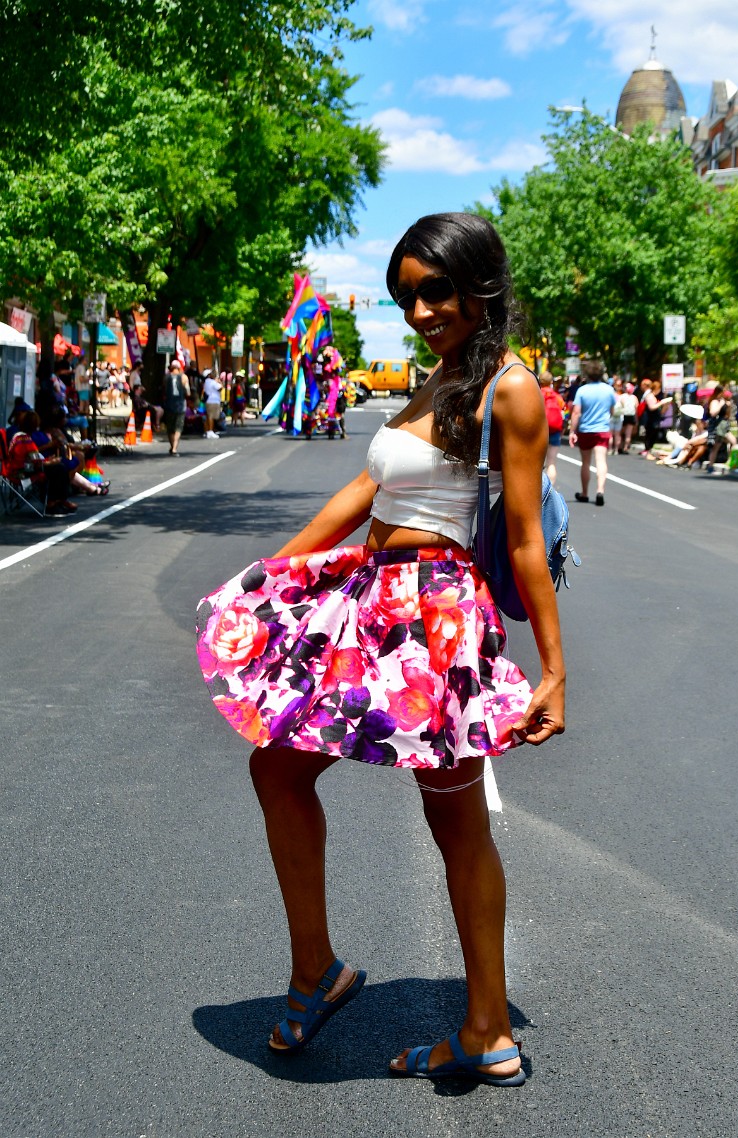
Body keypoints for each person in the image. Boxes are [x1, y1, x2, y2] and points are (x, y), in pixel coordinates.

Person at [196, 212, 565, 1088]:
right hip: (376, 606)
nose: (421, 309)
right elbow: (365, 489)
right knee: (276, 768)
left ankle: (486, 1029)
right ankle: (316, 970)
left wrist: (554, 671)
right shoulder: (441, 375)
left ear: (481, 283)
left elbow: (520, 540)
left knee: (455, 818)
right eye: (407, 295)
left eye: (436, 289)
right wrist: (264, 578)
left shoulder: (509, 388)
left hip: (435, 618)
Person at [568, 360, 614, 505]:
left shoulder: (582, 390)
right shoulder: (609, 390)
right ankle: (600, 490)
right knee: (601, 461)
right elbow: (612, 410)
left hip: (586, 430)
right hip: (602, 429)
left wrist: (572, 431)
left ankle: (585, 493)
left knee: (586, 463)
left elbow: (576, 413)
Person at [539, 370, 565, 485]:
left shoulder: (536, 394)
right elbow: (564, 413)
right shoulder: (557, 397)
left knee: (536, 464)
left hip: (539, 430)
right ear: (550, 382)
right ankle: (550, 492)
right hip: (554, 430)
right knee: (551, 463)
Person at [163, 359, 191, 455]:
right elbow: (188, 392)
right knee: (178, 427)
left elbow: (164, 390)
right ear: (179, 368)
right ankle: (174, 447)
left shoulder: (166, 377)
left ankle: (171, 446)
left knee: (170, 427)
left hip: (169, 404)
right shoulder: (184, 377)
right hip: (180, 404)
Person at [640, 377, 672, 459]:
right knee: (650, 435)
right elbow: (652, 407)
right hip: (650, 420)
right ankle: (648, 451)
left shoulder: (655, 397)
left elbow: (661, 411)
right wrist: (661, 403)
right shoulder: (650, 396)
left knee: (653, 435)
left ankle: (649, 451)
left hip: (655, 419)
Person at [202, 370, 223, 438]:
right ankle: (210, 431)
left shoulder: (206, 382)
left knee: (208, 416)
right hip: (213, 401)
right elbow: (220, 388)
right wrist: (219, 381)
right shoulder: (212, 382)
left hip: (209, 401)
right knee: (211, 417)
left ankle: (208, 431)